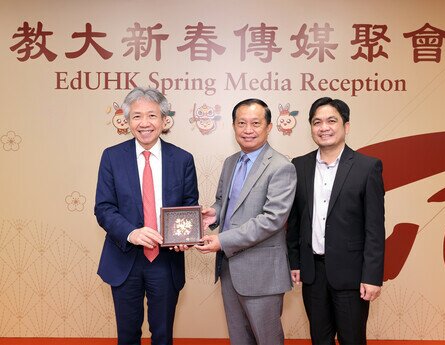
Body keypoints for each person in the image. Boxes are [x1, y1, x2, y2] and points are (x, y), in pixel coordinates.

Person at [94, 87, 199, 345]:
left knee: (163, 335)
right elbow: (104, 208)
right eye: (137, 116)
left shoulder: (183, 159)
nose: (144, 123)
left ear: (164, 120)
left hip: (165, 259)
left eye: (152, 116)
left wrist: (185, 236)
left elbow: (189, 206)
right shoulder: (112, 157)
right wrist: (132, 233)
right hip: (124, 257)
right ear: (127, 121)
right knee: (127, 335)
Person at [195, 98, 297, 345]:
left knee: (268, 340)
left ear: (269, 127)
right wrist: (215, 213)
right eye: (241, 123)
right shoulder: (231, 162)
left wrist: (222, 240)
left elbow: (272, 219)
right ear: (233, 126)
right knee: (239, 340)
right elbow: (224, 201)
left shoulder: (281, 166)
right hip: (230, 269)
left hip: (262, 273)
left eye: (255, 123)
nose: (248, 129)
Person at [286, 97, 385, 345]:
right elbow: (295, 220)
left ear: (346, 126)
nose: (324, 127)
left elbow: (374, 228)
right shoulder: (299, 165)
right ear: (311, 128)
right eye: (317, 122)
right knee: (320, 339)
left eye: (332, 121)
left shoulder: (367, 167)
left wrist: (372, 276)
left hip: (351, 275)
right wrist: (295, 261)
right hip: (313, 273)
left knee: (352, 339)